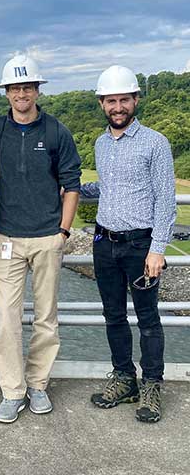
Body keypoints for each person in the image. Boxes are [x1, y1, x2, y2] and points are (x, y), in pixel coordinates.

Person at [0, 55, 81, 423]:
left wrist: (63, 232)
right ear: (6, 92)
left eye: (27, 87)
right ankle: (12, 391)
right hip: (8, 235)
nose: (21, 94)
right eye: (14, 88)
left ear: (37, 90)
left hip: (47, 237)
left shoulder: (56, 131)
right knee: (7, 320)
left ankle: (38, 384)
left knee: (46, 317)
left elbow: (71, 184)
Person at [81, 65, 176, 423]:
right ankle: (124, 378)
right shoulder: (101, 143)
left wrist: (158, 249)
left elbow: (165, 199)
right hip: (104, 242)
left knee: (148, 319)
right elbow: (108, 187)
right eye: (111, 100)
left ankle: (151, 385)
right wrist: (72, 191)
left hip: (140, 246)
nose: (117, 106)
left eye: (124, 99)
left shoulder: (155, 142)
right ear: (102, 103)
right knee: (114, 315)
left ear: (135, 100)